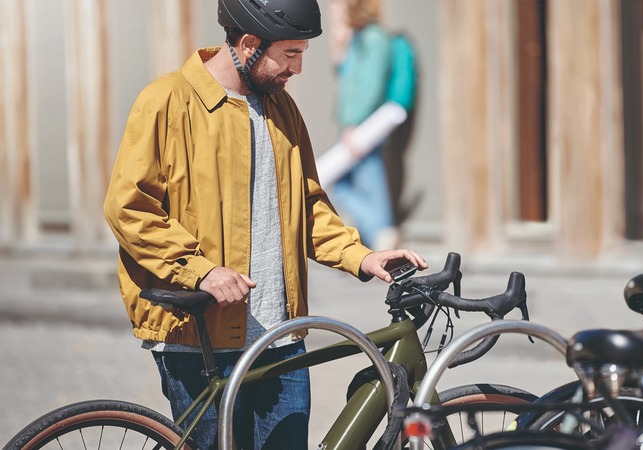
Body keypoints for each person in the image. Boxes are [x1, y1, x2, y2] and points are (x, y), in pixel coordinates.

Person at [102, 0, 427, 448]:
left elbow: (308, 205)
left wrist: (363, 255)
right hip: (199, 340)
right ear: (250, 43)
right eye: (290, 53)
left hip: (280, 335)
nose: (297, 68)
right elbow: (129, 208)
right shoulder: (166, 101)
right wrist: (201, 270)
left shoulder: (283, 111)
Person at [327, 0, 407, 250]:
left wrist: (353, 124)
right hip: (354, 125)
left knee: (367, 178)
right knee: (350, 180)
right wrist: (340, 50)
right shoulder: (358, 38)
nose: (334, 11)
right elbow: (347, 80)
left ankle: (382, 232)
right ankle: (378, 232)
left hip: (366, 126)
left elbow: (370, 87)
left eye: (338, 7)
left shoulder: (375, 38)